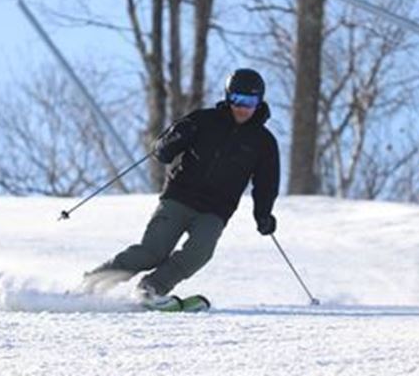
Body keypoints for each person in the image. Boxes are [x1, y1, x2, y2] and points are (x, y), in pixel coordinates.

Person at [82, 68, 280, 306]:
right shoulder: (203, 120)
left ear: (259, 102)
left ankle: (151, 289)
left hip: (215, 210)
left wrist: (263, 215)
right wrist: (175, 138)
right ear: (228, 98)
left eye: (250, 101)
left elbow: (266, 183)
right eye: (237, 100)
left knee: (199, 253)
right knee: (152, 252)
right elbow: (162, 153)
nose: (242, 107)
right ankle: (91, 284)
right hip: (180, 197)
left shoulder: (264, 143)